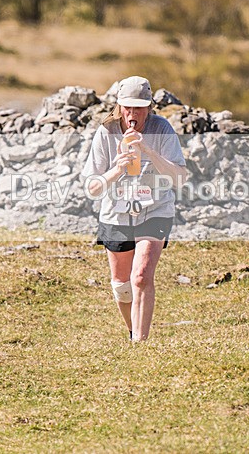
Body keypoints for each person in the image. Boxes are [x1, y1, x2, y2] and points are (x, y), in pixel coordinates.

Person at [82, 76, 187, 341]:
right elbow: (91, 188)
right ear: (119, 106)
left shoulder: (161, 129)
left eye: (140, 107)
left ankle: (141, 343)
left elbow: (180, 178)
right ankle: (132, 331)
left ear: (150, 107)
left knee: (140, 277)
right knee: (122, 285)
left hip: (155, 210)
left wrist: (149, 151)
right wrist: (117, 169)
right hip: (116, 213)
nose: (133, 114)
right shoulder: (106, 132)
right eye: (128, 107)